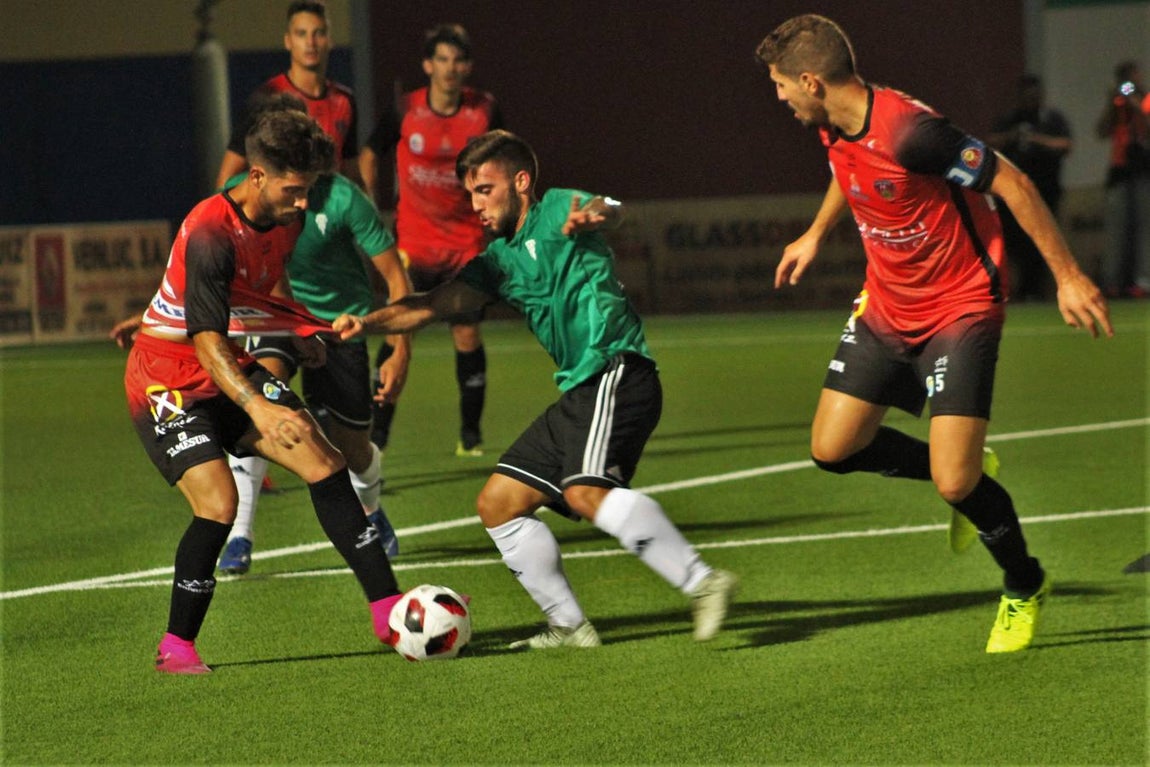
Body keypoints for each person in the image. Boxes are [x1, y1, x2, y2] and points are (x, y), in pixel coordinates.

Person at [756, 15, 1113, 653]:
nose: (778, 97)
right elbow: (851, 171)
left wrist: (1068, 277)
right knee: (833, 449)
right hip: (886, 309)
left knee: (955, 483)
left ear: (812, 80)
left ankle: (1024, 584)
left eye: (782, 85)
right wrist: (815, 234)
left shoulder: (912, 132)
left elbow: (1014, 181)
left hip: (961, 308)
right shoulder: (833, 120)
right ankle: (975, 467)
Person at [334, 130, 738, 648]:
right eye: (471, 195)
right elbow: (433, 304)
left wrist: (598, 212)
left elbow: (609, 207)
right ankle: (569, 626)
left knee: (585, 491)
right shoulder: (498, 261)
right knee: (498, 503)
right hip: (579, 391)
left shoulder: (557, 211)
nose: (476, 205)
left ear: (520, 182)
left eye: (485, 189)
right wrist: (365, 324)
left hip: (616, 370)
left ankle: (702, 582)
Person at [125, 108, 404, 674]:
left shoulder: (284, 219)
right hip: (168, 377)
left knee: (322, 458)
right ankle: (176, 647)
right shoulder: (208, 231)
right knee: (219, 501)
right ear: (256, 177)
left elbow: (267, 285)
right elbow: (205, 338)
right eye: (293, 190)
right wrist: (256, 404)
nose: (303, 203)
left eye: (309, 191)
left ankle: (389, 610)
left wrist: (296, 330)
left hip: (225, 358)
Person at [357, 23, 502, 457]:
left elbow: (505, 158)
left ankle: (470, 436)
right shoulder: (406, 109)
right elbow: (369, 152)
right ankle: (377, 436)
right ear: (427, 65)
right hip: (414, 243)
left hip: (465, 244)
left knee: (467, 335)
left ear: (468, 67)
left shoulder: (484, 112)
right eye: (441, 59)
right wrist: (371, 200)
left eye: (458, 60)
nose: (450, 68)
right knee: (399, 334)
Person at [215, 1, 358, 190]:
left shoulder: (344, 101)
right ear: (288, 41)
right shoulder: (267, 98)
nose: (310, 42)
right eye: (301, 34)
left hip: (328, 215)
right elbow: (227, 178)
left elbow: (351, 172)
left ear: (329, 40)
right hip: (281, 215)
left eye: (319, 33)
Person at [988, 74, 1072, 300]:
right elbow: (989, 144)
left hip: (1045, 189)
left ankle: (1036, 290)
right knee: (1013, 242)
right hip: (1012, 193)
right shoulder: (1009, 118)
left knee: (1043, 239)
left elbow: (1066, 144)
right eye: (1026, 95)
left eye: (1034, 94)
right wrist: (1013, 136)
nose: (1030, 99)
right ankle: (1015, 290)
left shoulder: (1051, 119)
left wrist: (1036, 139)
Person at [1096, 61, 1150, 298]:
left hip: (1144, 170)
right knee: (1116, 229)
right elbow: (1101, 131)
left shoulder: (1146, 99)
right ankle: (1112, 282)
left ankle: (1143, 280)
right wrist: (1113, 102)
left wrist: (1136, 104)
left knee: (1145, 228)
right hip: (1119, 173)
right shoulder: (1116, 104)